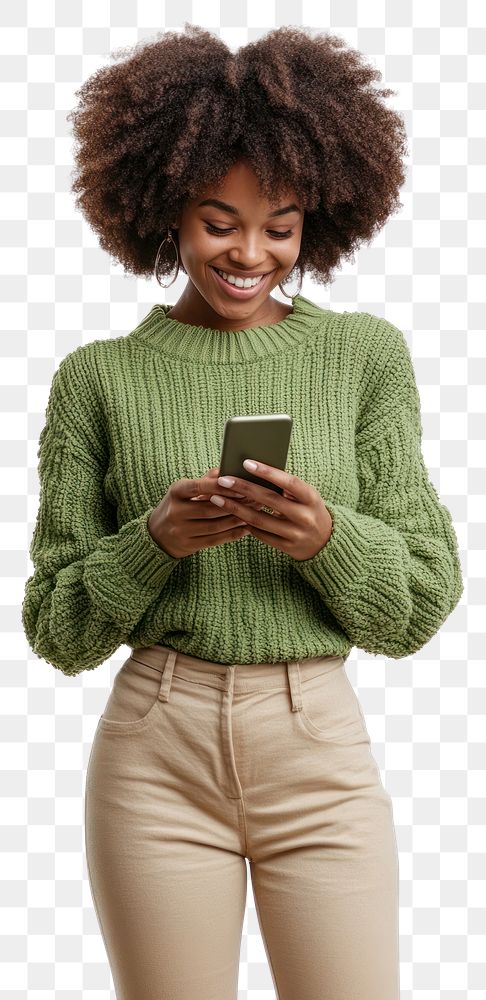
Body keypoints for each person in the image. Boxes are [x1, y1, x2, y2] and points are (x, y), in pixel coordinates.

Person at [22, 23, 463, 1000]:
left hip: (318, 745)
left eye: (282, 224)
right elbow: (54, 627)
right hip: (155, 750)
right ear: (163, 208)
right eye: (220, 220)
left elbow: (423, 601)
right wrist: (156, 543)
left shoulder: (364, 358)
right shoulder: (97, 380)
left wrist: (326, 540)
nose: (252, 253)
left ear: (318, 219)